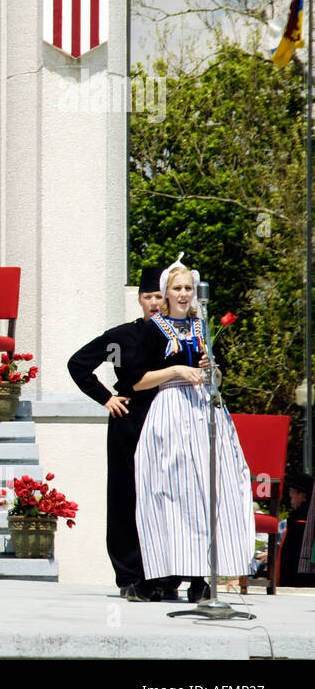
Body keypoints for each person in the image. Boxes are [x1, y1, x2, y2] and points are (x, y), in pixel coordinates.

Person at [132, 256, 254, 603]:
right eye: (176, 288)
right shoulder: (153, 330)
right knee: (172, 491)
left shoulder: (203, 328)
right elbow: (137, 381)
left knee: (210, 488)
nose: (183, 294)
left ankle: (203, 575)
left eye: (188, 288)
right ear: (165, 293)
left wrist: (211, 370)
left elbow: (217, 381)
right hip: (170, 412)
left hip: (204, 412)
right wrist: (176, 372)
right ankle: (167, 570)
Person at [66, 266, 163, 600]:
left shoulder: (179, 336)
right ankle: (130, 577)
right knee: (125, 497)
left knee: (163, 497)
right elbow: (78, 364)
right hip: (130, 419)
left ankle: (165, 576)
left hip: (167, 419)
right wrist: (105, 397)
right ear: (139, 299)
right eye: (149, 296)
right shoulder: (122, 337)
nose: (154, 303)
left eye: (159, 296)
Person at [276, 472, 315, 588]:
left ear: (302, 496)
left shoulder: (297, 523)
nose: (290, 495)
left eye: (292, 491)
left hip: (294, 583)